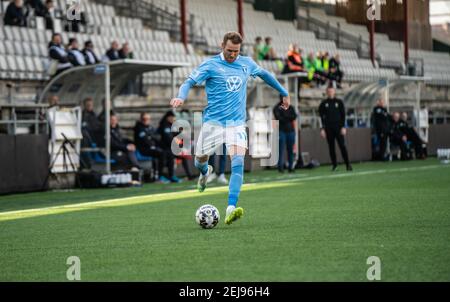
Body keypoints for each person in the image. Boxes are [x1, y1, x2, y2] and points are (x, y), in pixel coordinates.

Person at [170, 31, 290, 225]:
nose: (233, 54)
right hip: (213, 124)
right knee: (199, 160)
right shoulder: (210, 64)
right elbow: (189, 81)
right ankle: (204, 172)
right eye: (229, 50)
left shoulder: (246, 63)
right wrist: (180, 97)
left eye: (236, 51)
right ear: (221, 46)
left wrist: (284, 92)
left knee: (237, 163)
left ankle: (230, 208)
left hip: (236, 124)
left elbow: (265, 75)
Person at [318, 86, 352, 171]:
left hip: (338, 128)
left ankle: (348, 164)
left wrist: (343, 127)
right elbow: (321, 117)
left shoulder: (339, 102)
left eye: (331, 91)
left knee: (342, 146)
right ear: (326, 92)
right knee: (331, 147)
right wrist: (322, 129)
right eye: (328, 91)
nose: (330, 93)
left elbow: (343, 115)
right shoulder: (323, 103)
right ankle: (334, 165)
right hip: (328, 129)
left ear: (334, 92)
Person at [156, 111, 183, 183]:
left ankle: (172, 176)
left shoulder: (171, 125)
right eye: (172, 118)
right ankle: (161, 176)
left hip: (169, 148)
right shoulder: (164, 125)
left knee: (183, 156)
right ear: (168, 117)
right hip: (163, 147)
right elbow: (168, 138)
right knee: (168, 155)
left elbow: (175, 134)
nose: (173, 120)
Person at [273, 95, 298, 173]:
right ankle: (280, 166)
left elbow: (294, 116)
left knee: (290, 150)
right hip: (281, 131)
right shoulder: (277, 107)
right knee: (281, 149)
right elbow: (278, 118)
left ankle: (291, 166)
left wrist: (285, 116)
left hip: (290, 131)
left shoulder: (290, 107)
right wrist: (288, 117)